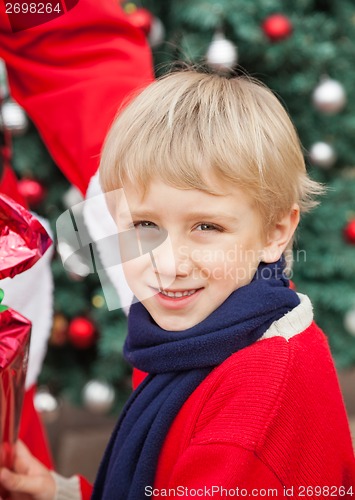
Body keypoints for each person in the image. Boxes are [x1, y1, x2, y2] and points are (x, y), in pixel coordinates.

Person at [1, 69, 354, 499]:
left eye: (206, 226)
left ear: (274, 233)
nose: (168, 265)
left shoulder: (253, 412)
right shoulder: (204, 339)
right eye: (145, 225)